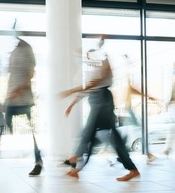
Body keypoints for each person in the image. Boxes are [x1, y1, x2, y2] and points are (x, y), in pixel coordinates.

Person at [59, 38, 139, 181]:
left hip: (102, 101)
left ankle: (75, 158)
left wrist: (71, 91)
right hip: (96, 100)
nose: (89, 58)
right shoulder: (93, 69)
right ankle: (132, 169)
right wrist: (72, 103)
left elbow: (95, 83)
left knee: (88, 132)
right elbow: (86, 89)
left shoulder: (105, 64)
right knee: (108, 138)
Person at [0, 38, 43, 176]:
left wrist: (18, 91)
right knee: (2, 130)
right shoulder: (14, 52)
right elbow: (7, 72)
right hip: (11, 100)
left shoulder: (27, 51)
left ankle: (38, 162)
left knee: (31, 133)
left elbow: (29, 76)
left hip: (24, 99)